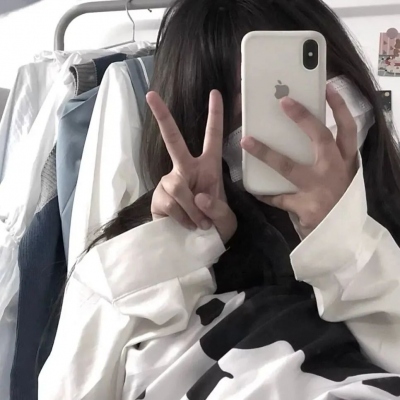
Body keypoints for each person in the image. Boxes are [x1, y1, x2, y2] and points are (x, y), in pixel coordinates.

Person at [39, 0, 400, 399]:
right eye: (262, 101)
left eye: (316, 80)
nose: (303, 116)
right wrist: (172, 248)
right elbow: (71, 385)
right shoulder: (145, 257)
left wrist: (346, 241)